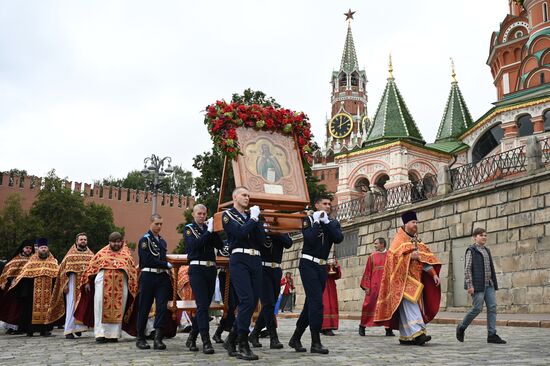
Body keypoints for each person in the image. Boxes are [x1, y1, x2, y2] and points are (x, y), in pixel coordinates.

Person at [374, 211, 441, 346]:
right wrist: (410, 257)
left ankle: (406, 336)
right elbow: (393, 258)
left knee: (408, 308)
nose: (415, 225)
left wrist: (434, 275)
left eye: (416, 222)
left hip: (417, 281)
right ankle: (419, 333)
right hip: (403, 281)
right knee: (411, 305)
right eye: (413, 222)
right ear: (406, 224)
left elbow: (425, 260)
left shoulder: (417, 241)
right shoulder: (398, 241)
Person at [288, 196, 343, 355]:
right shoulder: (309, 220)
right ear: (317, 205)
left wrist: (326, 222)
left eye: (329, 204)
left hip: (321, 266)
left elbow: (338, 238)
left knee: (310, 304)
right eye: (324, 204)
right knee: (317, 303)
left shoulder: (332, 223)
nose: (327, 206)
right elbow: (310, 238)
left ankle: (296, 337)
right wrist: (318, 221)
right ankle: (315, 342)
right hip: (308, 264)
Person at [222, 186, 266, 361]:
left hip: (255, 260)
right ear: (235, 197)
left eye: (249, 195)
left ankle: (231, 339)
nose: (247, 198)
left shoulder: (251, 217)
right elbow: (239, 233)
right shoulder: (228, 215)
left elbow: (262, 240)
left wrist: (257, 220)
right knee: (246, 300)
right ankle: (242, 343)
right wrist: (253, 219)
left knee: (253, 301)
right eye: (244, 195)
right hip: (239, 258)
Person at [75, 232, 138, 343]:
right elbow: (91, 268)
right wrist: (87, 282)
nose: (116, 244)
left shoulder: (126, 255)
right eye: (114, 242)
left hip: (121, 285)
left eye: (118, 242)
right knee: (100, 307)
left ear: (121, 242)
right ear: (109, 242)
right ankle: (100, 334)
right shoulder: (102, 253)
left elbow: (132, 272)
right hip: (102, 285)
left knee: (119, 308)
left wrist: (132, 285)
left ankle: (114, 334)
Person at [184, 204, 224, 354]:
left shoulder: (209, 228)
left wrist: (213, 231)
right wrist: (208, 232)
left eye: (204, 214)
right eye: (199, 214)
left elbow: (220, 245)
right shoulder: (189, 229)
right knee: (201, 306)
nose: (202, 216)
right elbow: (195, 245)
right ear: (194, 215)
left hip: (210, 269)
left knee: (204, 306)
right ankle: (206, 341)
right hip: (197, 269)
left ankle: (192, 337)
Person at [456, 228, 506, 344]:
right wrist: (470, 285)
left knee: (492, 308)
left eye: (485, 235)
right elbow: (467, 269)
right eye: (481, 235)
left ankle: (492, 334)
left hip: (489, 284)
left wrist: (494, 283)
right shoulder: (471, 250)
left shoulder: (487, 250)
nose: (484, 237)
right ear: (475, 237)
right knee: (477, 308)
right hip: (477, 285)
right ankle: (462, 327)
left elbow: (490, 268)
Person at [249, 230, 293, 349]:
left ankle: (254, 333)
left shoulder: (280, 228)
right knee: (268, 303)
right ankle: (274, 337)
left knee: (271, 305)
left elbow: (289, 243)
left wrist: (278, 233)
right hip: (263, 268)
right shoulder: (259, 227)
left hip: (276, 270)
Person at [136, 214, 173, 351]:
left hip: (161, 277)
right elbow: (147, 260)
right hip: (149, 275)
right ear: (150, 223)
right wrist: (167, 265)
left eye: (161, 224)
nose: (159, 226)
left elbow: (162, 256)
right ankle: (140, 337)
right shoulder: (144, 240)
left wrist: (165, 267)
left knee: (162, 307)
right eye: (157, 223)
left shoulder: (162, 242)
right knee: (144, 307)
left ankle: (158, 338)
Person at [46, 233, 94, 339]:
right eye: (81, 239)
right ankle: (68, 330)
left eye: (85, 239)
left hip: (85, 286)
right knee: (71, 306)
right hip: (72, 284)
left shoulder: (91, 255)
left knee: (83, 306)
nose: (83, 241)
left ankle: (78, 328)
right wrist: (64, 285)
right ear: (76, 241)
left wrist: (88, 283)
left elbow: (92, 271)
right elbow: (63, 271)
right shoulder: (70, 255)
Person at [7, 238, 58, 337]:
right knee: (29, 310)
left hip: (48, 291)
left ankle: (45, 330)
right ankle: (30, 330)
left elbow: (57, 275)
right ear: (38, 249)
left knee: (47, 309)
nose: (43, 249)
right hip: (32, 291)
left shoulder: (52, 261)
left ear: (47, 249)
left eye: (45, 248)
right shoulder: (31, 261)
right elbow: (24, 274)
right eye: (41, 247)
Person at [359, 237, 394, 337]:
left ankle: (389, 329)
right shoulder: (372, 256)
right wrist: (366, 286)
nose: (375, 246)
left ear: (382, 244)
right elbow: (367, 272)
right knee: (368, 305)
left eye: (376, 244)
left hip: (387, 287)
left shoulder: (390, 256)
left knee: (387, 307)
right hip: (374, 286)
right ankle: (362, 326)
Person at [0, 239, 35, 334]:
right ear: (22, 248)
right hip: (16, 286)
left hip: (29, 286)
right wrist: (11, 280)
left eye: (30, 248)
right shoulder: (16, 259)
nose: (28, 250)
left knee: (24, 308)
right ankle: (12, 327)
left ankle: (21, 327)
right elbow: (8, 271)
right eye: (27, 248)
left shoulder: (33, 259)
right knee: (14, 307)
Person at [212, 241, 237, 344]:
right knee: (230, 306)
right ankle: (230, 332)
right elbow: (218, 261)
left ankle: (221, 332)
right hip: (225, 275)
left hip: (237, 275)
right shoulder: (224, 244)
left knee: (235, 305)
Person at [320, 258, 341, 336]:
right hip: (321, 283)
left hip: (330, 284)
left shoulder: (330, 257)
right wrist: (325, 263)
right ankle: (324, 327)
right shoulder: (318, 256)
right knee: (325, 306)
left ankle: (329, 326)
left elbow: (337, 275)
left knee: (332, 305)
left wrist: (335, 266)